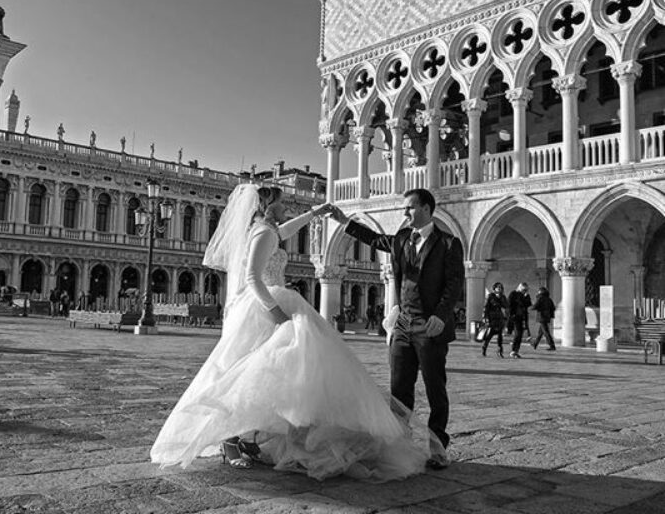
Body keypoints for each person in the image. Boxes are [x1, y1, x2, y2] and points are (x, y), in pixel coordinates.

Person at [151, 185, 429, 481]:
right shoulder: (263, 232)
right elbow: (252, 278)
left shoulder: (267, 229)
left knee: (267, 377)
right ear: (268, 206)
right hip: (264, 307)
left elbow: (282, 232)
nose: (286, 209)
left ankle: (246, 438)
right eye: (282, 204)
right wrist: (277, 314)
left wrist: (315, 213)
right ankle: (230, 441)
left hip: (269, 301)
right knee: (248, 377)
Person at [330, 188, 464, 470]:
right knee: (399, 386)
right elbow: (376, 239)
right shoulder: (402, 238)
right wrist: (345, 222)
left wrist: (441, 315)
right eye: (404, 208)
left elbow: (453, 285)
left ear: (427, 209)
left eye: (410, 208)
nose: (405, 213)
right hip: (404, 321)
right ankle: (400, 445)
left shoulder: (449, 244)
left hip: (430, 323)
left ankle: (438, 447)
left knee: (434, 387)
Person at [481, 282, 509, 358]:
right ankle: (484, 348)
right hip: (491, 318)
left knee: (500, 335)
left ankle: (500, 351)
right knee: (490, 334)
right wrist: (485, 317)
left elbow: (506, 306)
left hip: (499, 318)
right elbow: (486, 307)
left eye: (500, 287)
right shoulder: (490, 296)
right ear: (494, 288)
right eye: (498, 287)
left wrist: (501, 298)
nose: (499, 289)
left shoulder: (502, 297)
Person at [507, 282, 532, 358]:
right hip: (515, 317)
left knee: (520, 334)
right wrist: (511, 315)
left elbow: (528, 304)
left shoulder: (525, 295)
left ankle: (516, 351)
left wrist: (526, 296)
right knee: (517, 333)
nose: (525, 291)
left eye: (526, 290)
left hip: (522, 317)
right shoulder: (513, 294)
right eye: (524, 289)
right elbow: (509, 304)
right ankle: (513, 350)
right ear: (520, 288)